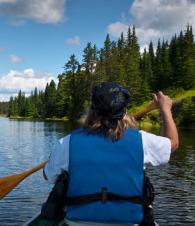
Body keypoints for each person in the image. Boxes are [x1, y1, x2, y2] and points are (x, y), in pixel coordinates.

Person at [43, 82, 179, 226]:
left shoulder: (67, 142)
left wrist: (52, 159)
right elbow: (173, 143)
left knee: (48, 215)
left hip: (76, 222)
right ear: (124, 111)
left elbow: (47, 175)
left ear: (91, 109)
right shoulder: (142, 140)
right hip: (128, 222)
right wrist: (165, 109)